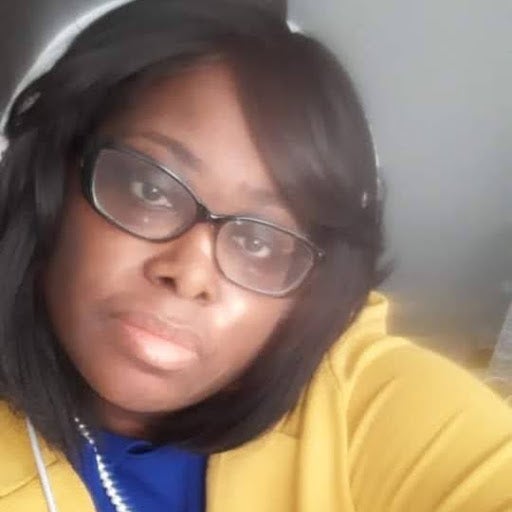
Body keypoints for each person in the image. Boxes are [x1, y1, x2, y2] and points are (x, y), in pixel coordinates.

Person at [1, 1, 511, 511]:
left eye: (259, 242)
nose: (190, 274)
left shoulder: (361, 401)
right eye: (151, 191)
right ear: (50, 183)